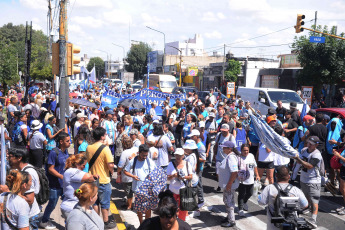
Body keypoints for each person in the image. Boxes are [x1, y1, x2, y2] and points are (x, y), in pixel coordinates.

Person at [258, 166, 309, 230]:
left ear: (276, 175)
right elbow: (305, 205)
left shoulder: (269, 188)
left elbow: (261, 202)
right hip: (290, 224)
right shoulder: (296, 190)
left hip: (273, 225)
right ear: (289, 176)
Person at [86, 127, 116, 229]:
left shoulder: (89, 147)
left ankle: (96, 221)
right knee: (105, 203)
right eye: (105, 134)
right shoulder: (105, 148)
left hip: (92, 178)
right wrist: (111, 172)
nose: (106, 135)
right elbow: (110, 165)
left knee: (95, 202)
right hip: (103, 179)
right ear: (102, 136)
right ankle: (106, 222)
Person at [40, 132, 71, 229]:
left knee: (68, 204)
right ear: (61, 142)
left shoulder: (65, 151)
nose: (70, 143)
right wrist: (61, 177)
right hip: (54, 185)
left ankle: (69, 223)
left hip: (64, 184)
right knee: (52, 203)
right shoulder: (54, 153)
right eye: (67, 141)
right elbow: (50, 169)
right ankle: (44, 221)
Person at [5, 148, 40, 230]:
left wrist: (8, 192)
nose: (8, 159)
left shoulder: (28, 173)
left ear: (19, 158)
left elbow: (30, 200)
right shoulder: (20, 171)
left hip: (29, 216)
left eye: (10, 157)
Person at [294, 136, 323, 228]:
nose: (309, 145)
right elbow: (298, 164)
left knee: (314, 200)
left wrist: (298, 159)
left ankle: (313, 220)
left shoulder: (317, 154)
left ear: (316, 145)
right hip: (303, 178)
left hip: (313, 180)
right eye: (308, 143)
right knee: (307, 198)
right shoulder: (304, 150)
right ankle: (308, 209)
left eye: (311, 144)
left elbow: (310, 166)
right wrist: (293, 176)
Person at [124, 144, 156, 224]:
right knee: (139, 208)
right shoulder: (133, 161)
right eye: (143, 155)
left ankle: (147, 224)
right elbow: (125, 171)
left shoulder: (149, 162)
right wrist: (133, 176)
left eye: (146, 155)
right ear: (139, 152)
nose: (145, 157)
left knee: (148, 208)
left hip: (148, 190)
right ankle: (142, 224)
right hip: (137, 190)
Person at [61, 154, 97, 218]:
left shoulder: (70, 171)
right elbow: (89, 177)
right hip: (72, 207)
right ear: (77, 164)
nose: (84, 167)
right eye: (83, 165)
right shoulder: (72, 171)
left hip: (70, 206)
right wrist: (94, 177)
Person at [166, 148, 193, 221]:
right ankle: (173, 222)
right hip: (173, 190)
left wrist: (183, 177)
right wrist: (173, 176)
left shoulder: (187, 164)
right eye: (176, 155)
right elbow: (167, 178)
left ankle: (181, 222)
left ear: (183, 156)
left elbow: (191, 176)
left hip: (183, 191)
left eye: (180, 155)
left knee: (183, 209)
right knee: (171, 208)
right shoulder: (170, 164)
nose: (178, 157)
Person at [216, 141, 239, 227]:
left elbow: (234, 172)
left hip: (229, 184)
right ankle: (229, 216)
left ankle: (231, 221)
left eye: (224, 147)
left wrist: (229, 184)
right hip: (228, 184)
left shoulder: (231, 158)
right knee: (228, 201)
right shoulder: (229, 156)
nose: (223, 148)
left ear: (230, 149)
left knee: (228, 202)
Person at [237, 144, 259, 217]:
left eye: (247, 150)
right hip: (242, 180)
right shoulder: (239, 158)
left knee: (250, 193)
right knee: (241, 194)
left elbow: (255, 166)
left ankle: (244, 202)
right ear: (241, 150)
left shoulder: (251, 156)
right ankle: (240, 209)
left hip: (251, 179)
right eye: (244, 150)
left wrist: (257, 175)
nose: (246, 152)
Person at [117, 135, 138, 210]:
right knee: (133, 190)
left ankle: (129, 205)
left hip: (127, 175)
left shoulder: (125, 153)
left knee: (128, 191)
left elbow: (120, 165)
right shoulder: (136, 149)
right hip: (136, 174)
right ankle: (129, 203)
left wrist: (118, 172)